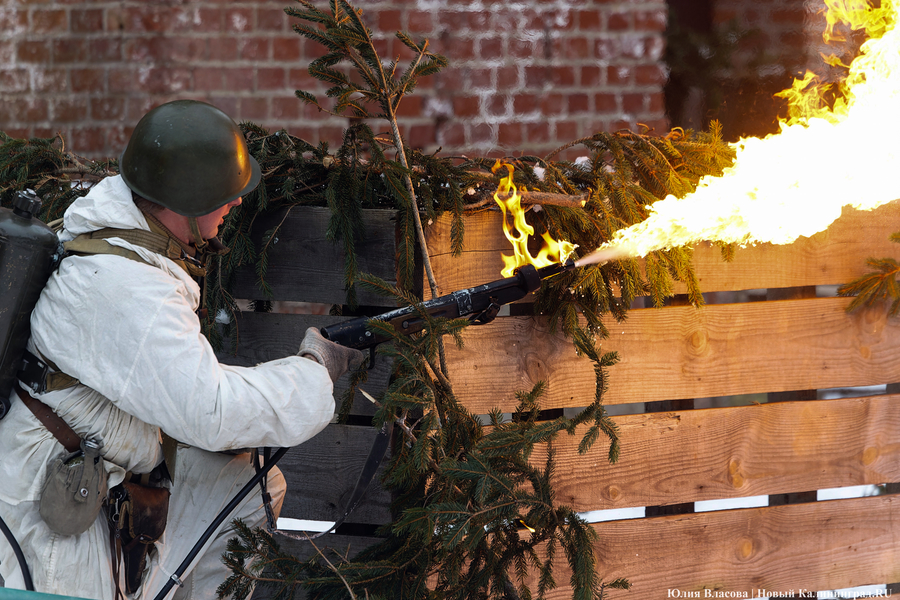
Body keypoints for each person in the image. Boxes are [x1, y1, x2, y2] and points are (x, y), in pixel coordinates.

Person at [0, 99, 362, 599]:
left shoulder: (115, 247)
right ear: (184, 204)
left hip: (99, 472)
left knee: (248, 487)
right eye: (222, 195)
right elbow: (210, 409)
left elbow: (173, 381)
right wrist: (314, 371)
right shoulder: (124, 288)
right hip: (56, 532)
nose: (236, 204)